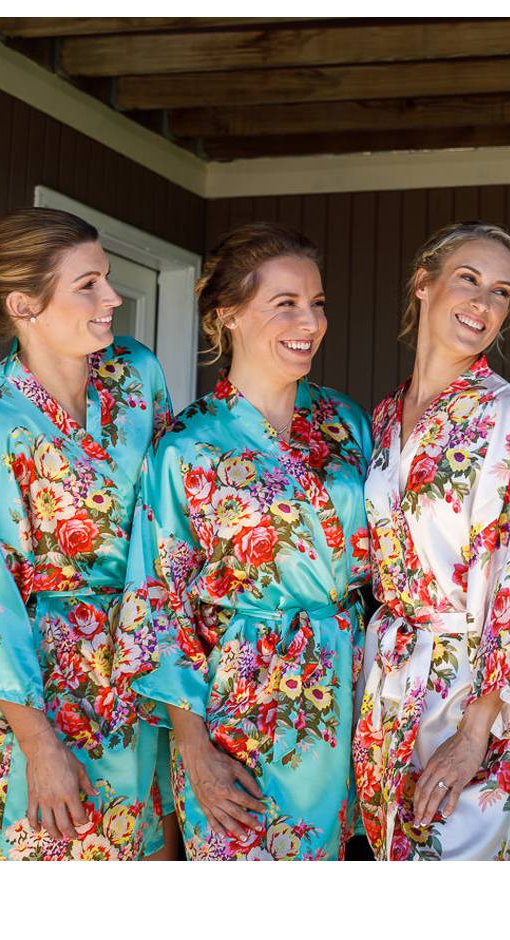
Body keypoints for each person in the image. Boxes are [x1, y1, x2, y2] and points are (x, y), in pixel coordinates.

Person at [0, 208, 174, 859]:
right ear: (24, 304)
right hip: (40, 707)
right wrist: (41, 749)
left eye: (107, 278)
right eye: (88, 285)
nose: (112, 298)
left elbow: (176, 515)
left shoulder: (134, 376)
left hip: (138, 681)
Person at [113, 223, 371, 860]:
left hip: (349, 692)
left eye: (317, 303)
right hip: (240, 710)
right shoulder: (186, 446)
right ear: (227, 316)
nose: (308, 320)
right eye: (284, 303)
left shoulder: (345, 420)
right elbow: (158, 601)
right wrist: (196, 753)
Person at [354, 221, 510, 860]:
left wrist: (476, 734)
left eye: (501, 293)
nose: (483, 303)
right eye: (468, 280)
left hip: (481, 705)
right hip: (390, 694)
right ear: (424, 283)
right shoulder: (386, 416)